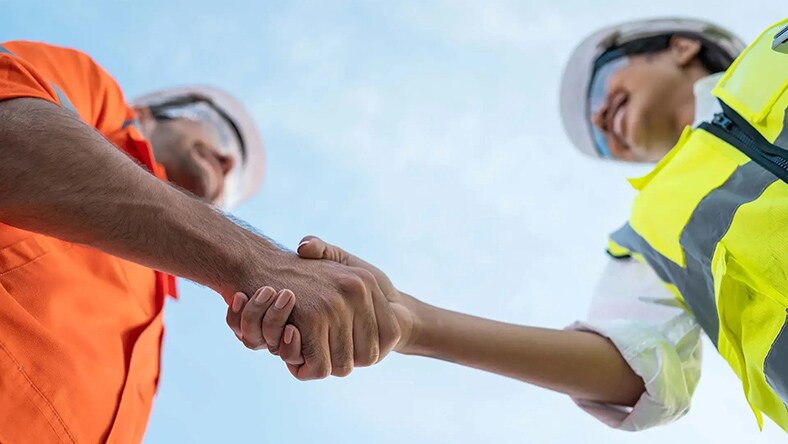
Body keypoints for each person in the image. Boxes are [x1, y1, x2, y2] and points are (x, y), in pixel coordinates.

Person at [232, 17, 788, 433]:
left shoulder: (775, 46)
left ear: (681, 44)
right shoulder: (645, 239)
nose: (599, 119)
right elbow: (630, 365)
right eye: (599, 142)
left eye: (599, 87)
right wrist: (419, 323)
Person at [0, 41, 400, 443]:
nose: (227, 163)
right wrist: (256, 263)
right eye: (218, 131)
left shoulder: (150, 346)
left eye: (235, 186)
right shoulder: (93, 95)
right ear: (148, 113)